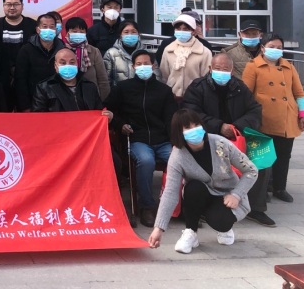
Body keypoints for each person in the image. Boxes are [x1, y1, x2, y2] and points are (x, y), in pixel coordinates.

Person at [148, 109, 257, 254]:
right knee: (192, 187)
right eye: (188, 128)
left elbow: (251, 170)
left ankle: (225, 229)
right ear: (179, 133)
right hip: (201, 193)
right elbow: (170, 193)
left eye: (196, 125)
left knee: (221, 222)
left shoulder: (220, 143)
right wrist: (158, 228)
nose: (194, 130)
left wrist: (237, 194)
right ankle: (190, 232)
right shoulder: (177, 156)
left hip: (228, 196)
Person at [181, 53, 267, 225]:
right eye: (217, 68)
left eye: (225, 69)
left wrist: (236, 127)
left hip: (236, 137)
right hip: (207, 138)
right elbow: (191, 112)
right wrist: (219, 126)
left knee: (262, 161)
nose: (221, 72)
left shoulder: (240, 87)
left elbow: (255, 111)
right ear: (210, 69)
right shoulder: (197, 87)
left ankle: (256, 208)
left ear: (232, 71)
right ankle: (204, 206)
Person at [104, 50, 177, 227]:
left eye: (146, 64)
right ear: (133, 66)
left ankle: (178, 206)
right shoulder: (123, 88)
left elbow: (171, 118)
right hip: (137, 139)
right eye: (139, 64)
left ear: (154, 66)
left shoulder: (164, 90)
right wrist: (121, 124)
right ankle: (147, 206)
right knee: (146, 161)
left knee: (178, 160)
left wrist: (175, 142)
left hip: (163, 140)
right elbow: (109, 110)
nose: (143, 67)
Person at [242, 34, 304, 211]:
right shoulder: (252, 66)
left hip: (287, 118)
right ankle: (263, 189)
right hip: (264, 119)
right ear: (263, 47)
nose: (276, 50)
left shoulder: (289, 66)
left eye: (279, 47)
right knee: (264, 157)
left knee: (283, 155)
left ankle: (280, 187)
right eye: (272, 46)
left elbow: (299, 93)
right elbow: (246, 95)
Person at [31, 48, 112, 116]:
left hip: (86, 129)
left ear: (77, 64)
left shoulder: (89, 86)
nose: (68, 65)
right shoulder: (44, 88)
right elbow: (38, 118)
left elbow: (99, 112)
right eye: (63, 63)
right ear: (55, 66)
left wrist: (107, 117)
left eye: (72, 62)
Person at [15, 12, 65, 112]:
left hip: (58, 102)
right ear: (38, 30)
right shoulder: (26, 50)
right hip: (33, 102)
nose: (48, 29)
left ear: (56, 30)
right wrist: (25, 106)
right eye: (45, 26)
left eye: (51, 27)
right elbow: (20, 80)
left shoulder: (62, 49)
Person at [159, 14, 212, 99]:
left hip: (195, 97)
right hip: (171, 96)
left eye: (185, 29)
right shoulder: (168, 50)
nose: (181, 31)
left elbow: (206, 77)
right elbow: (164, 75)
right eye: (178, 29)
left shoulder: (204, 52)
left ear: (193, 31)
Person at [63, 16, 110, 100]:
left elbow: (102, 79)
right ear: (67, 33)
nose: (78, 34)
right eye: (74, 31)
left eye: (82, 32)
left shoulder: (94, 51)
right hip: (67, 97)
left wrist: (101, 101)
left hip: (91, 97)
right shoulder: (61, 51)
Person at [0, 0, 37, 72]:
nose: (12, 8)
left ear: (22, 6)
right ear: (3, 6)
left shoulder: (33, 25)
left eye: (16, 4)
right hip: (0, 71)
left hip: (27, 71)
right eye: (8, 4)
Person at [103, 20, 144, 90]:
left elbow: (156, 75)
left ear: (138, 34)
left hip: (141, 94)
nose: (130, 35)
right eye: (126, 32)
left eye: (133, 32)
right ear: (120, 35)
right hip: (119, 94)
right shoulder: (111, 53)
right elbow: (105, 79)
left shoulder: (146, 53)